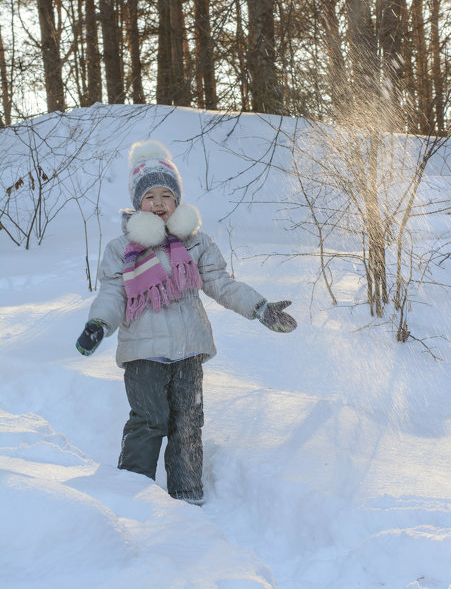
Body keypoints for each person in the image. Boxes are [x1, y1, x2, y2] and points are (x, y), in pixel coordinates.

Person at [75, 140, 296, 505]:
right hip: (143, 354)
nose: (159, 203)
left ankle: (187, 496)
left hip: (189, 351)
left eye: (166, 194)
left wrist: (259, 308)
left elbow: (221, 284)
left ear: (177, 200)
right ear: (137, 202)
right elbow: (113, 294)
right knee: (148, 421)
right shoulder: (122, 249)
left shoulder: (195, 244)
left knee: (188, 425)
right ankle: (132, 494)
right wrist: (98, 324)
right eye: (150, 196)